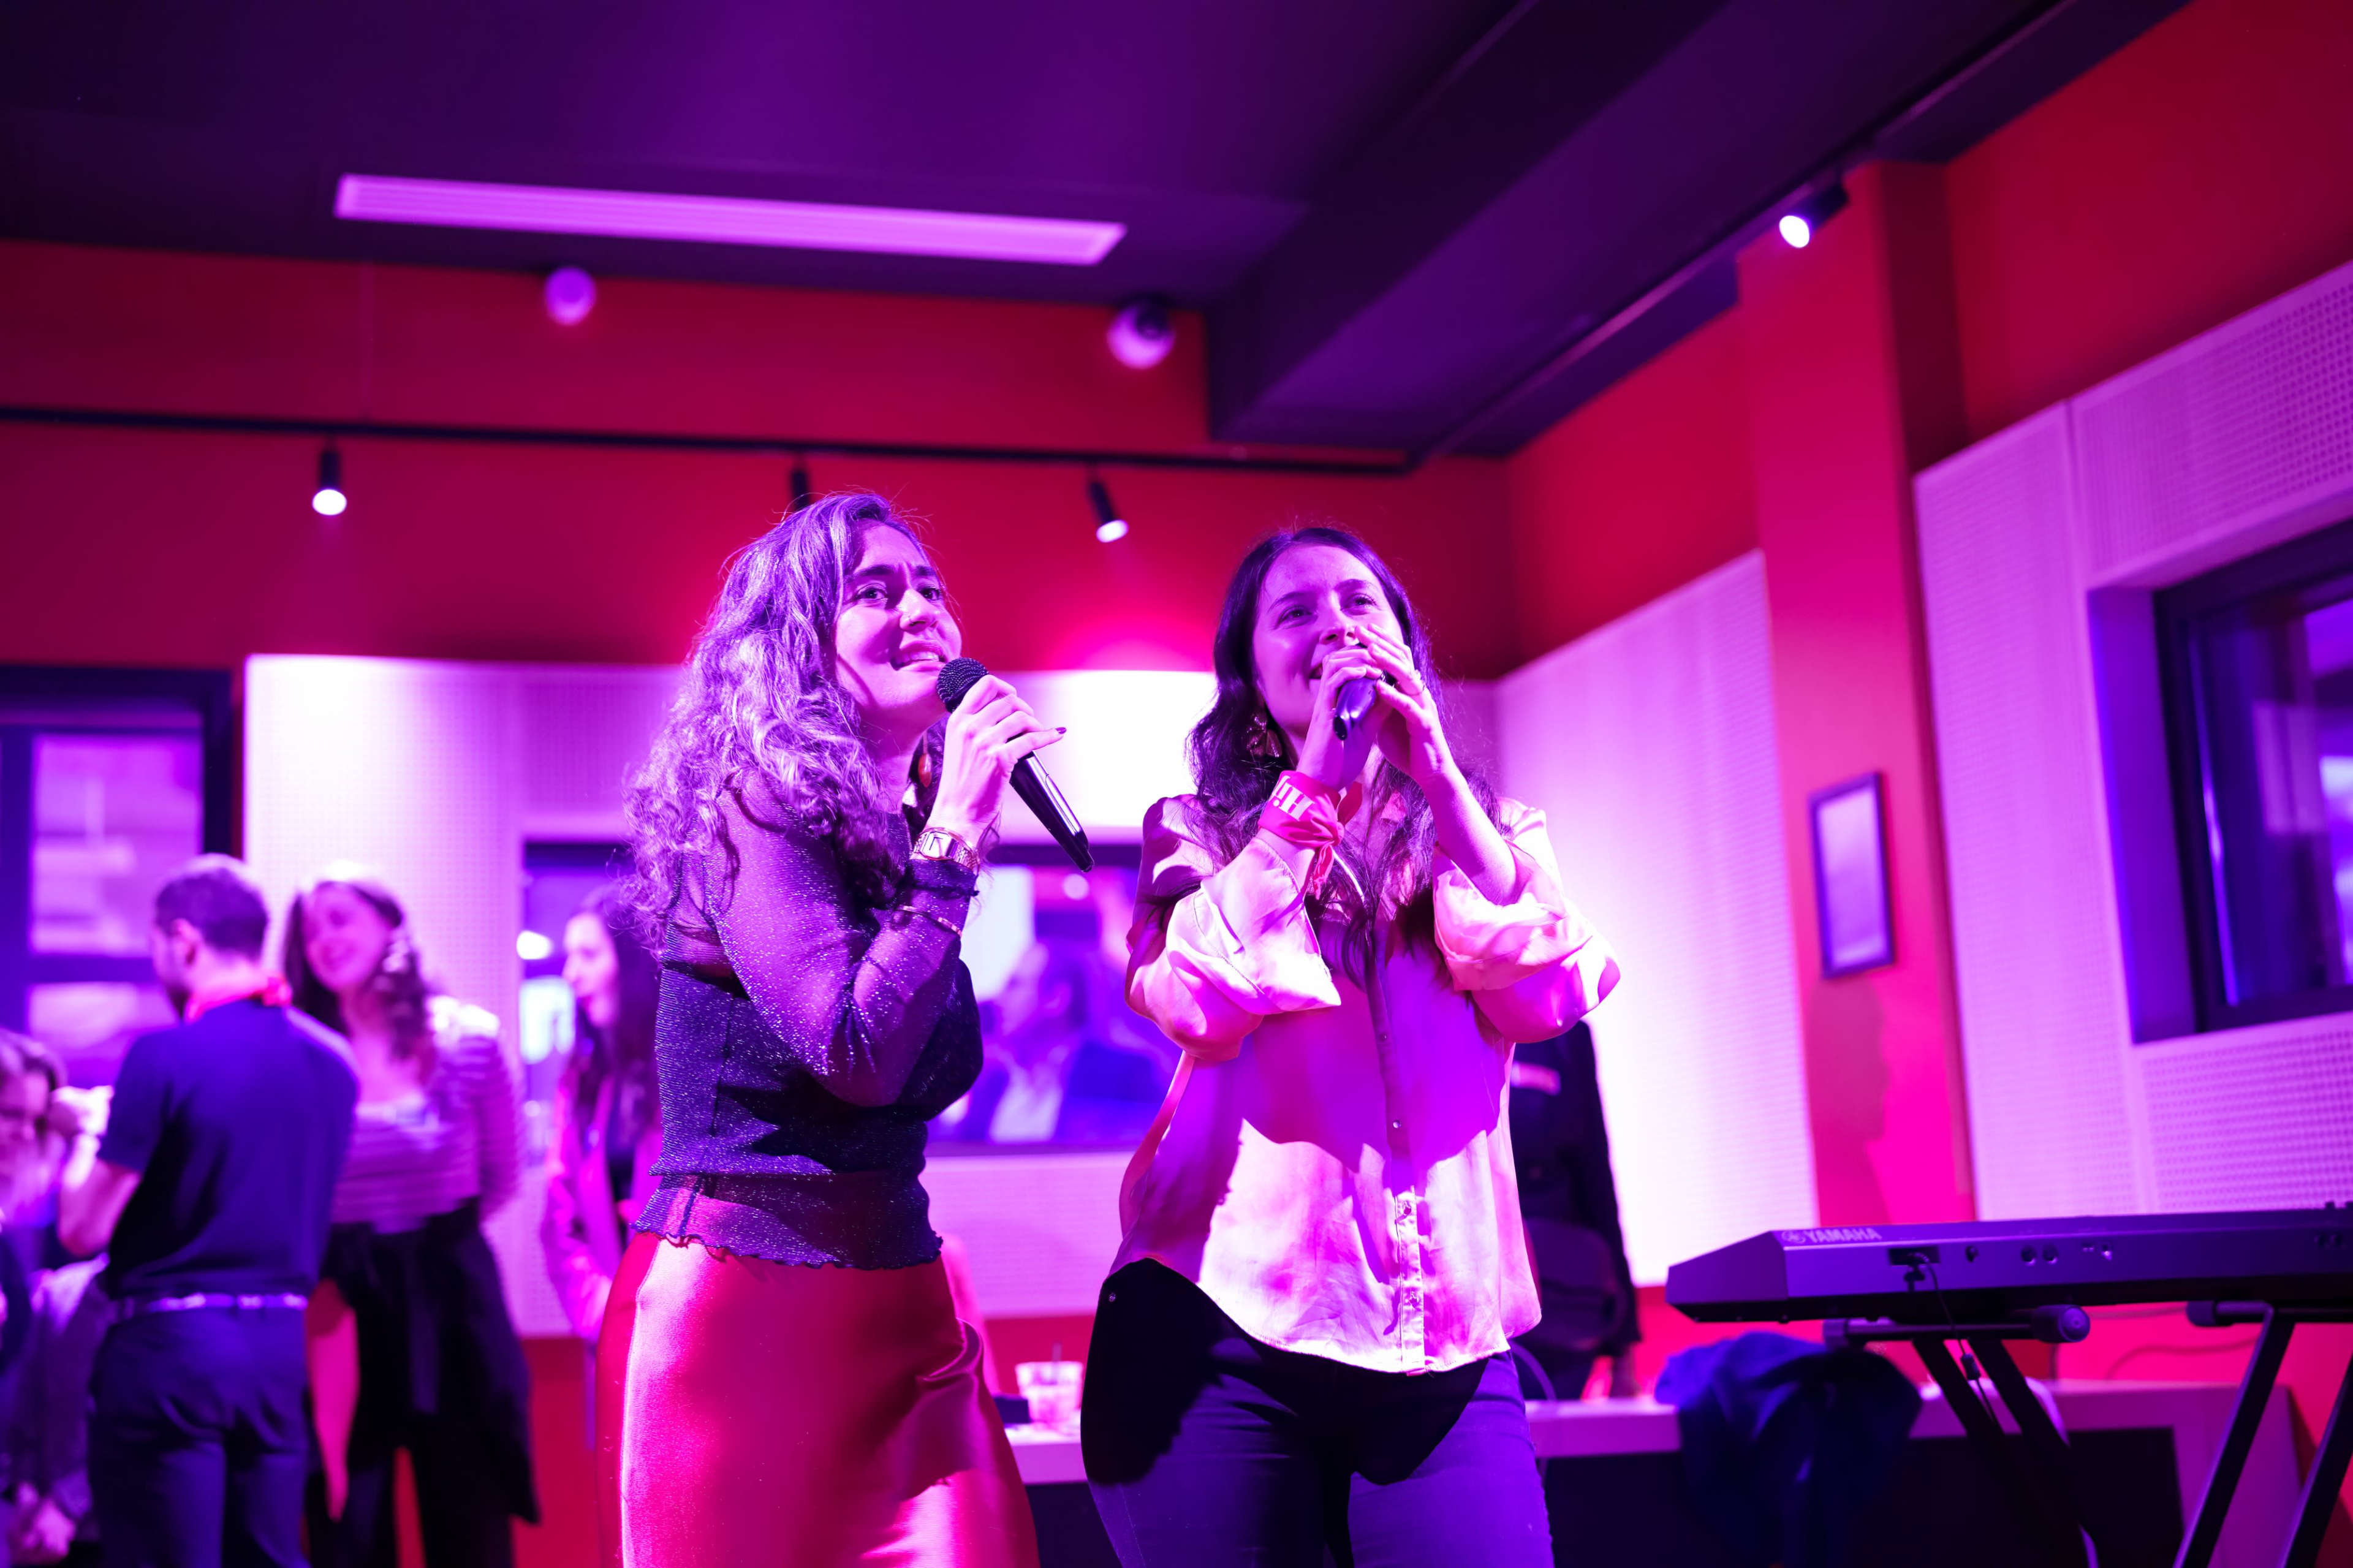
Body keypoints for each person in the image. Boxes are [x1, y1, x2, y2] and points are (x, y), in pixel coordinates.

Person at [1082, 526, 1620, 1567]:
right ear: (1248, 674)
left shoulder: (1493, 833)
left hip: (1445, 1351)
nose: (1335, 626)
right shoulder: (1194, 834)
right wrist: (1317, 789)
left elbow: (1553, 991)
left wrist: (1447, 794)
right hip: (1220, 1335)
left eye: (1361, 605)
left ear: (1406, 647)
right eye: (1296, 613)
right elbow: (1195, 994)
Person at [604, 493, 1045, 1568]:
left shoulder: (896, 847)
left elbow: (922, 1063)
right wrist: (954, 844)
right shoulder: (756, 809)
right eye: (874, 591)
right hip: (746, 1326)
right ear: (798, 644)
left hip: (904, 1313)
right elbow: (855, 1052)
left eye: (930, 587)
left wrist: (936, 850)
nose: (920, 611)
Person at [53, 854, 359, 1568]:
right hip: (279, 1352)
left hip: (170, 1355)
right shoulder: (334, 1063)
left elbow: (81, 1228)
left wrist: (88, 1135)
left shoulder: (161, 1058)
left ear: (183, 940)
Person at [285, 870, 536, 1568]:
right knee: (347, 1525)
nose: (323, 940)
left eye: (340, 920)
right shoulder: (304, 1056)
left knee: (469, 1520)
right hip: (340, 1303)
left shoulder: (468, 1040)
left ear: (390, 925)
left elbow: (502, 1177)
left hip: (449, 1293)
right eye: (310, 931)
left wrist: (424, 1245)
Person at [541, 887, 663, 1347]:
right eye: (569, 956)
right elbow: (559, 1217)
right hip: (610, 1333)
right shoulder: (582, 1079)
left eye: (588, 954)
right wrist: (605, 1311)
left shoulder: (687, 1072)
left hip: (692, 1333)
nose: (571, 974)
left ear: (633, 963)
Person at [1507, 1020, 1640, 1401]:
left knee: (1554, 1450)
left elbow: (1597, 1181)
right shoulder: (1444, 1017)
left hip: (1561, 1301)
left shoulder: (1565, 1033)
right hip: (1471, 1290)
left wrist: (1622, 1351)